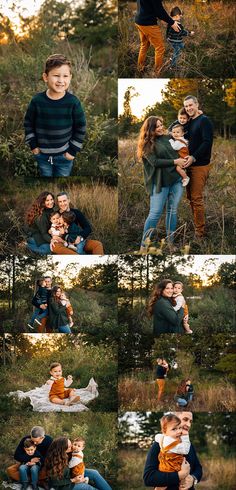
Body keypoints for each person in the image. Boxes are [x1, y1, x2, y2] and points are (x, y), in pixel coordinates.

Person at [24, 53, 86, 177]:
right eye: (56, 76)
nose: (61, 80)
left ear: (70, 77)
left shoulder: (73, 102)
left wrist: (72, 152)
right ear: (45, 77)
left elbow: (80, 128)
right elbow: (28, 123)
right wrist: (34, 146)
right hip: (42, 155)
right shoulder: (37, 101)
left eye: (65, 76)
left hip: (64, 156)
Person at [137, 117, 186, 250]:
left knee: (172, 210)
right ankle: (143, 246)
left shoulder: (167, 138)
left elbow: (180, 143)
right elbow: (155, 162)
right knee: (155, 213)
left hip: (176, 180)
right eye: (156, 126)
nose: (160, 128)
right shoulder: (146, 144)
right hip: (159, 182)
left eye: (161, 125)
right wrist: (175, 162)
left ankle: (170, 243)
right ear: (149, 128)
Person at [143, 411, 202, 489]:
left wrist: (193, 479)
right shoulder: (160, 444)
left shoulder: (188, 445)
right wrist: (180, 475)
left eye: (190, 421)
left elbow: (198, 468)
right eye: (185, 419)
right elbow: (148, 477)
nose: (188, 424)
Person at [183, 95, 213, 239]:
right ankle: (197, 225)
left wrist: (194, 157)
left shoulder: (204, 121)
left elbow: (207, 142)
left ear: (197, 104)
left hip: (199, 165)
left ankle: (200, 233)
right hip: (188, 165)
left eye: (190, 105)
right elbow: (176, 127)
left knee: (196, 198)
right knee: (190, 198)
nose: (188, 108)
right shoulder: (190, 122)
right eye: (186, 106)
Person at [45, 437, 111, 490]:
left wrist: (82, 473)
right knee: (87, 487)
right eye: (70, 447)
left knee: (94, 473)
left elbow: (79, 462)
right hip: (64, 485)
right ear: (62, 449)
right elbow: (55, 482)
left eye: (71, 444)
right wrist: (73, 480)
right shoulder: (54, 461)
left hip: (72, 473)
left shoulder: (69, 452)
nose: (73, 447)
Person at [134, 0, 181, 73]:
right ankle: (157, 72)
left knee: (144, 45)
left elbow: (146, 6)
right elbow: (159, 11)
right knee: (160, 48)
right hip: (148, 24)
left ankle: (140, 68)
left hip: (139, 21)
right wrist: (172, 22)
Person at [154, 413, 191, 490]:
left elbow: (157, 437)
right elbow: (185, 450)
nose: (179, 431)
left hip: (163, 466)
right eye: (174, 429)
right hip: (172, 467)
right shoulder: (172, 442)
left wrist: (163, 436)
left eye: (179, 428)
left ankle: (159, 487)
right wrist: (185, 436)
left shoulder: (163, 438)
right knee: (183, 482)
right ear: (165, 431)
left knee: (163, 486)